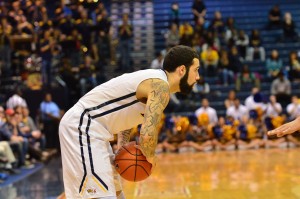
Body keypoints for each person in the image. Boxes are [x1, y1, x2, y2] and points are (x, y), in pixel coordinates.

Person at [59, 45, 200, 199]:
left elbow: (126, 115)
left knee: (115, 194)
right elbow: (147, 135)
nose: (198, 77)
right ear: (182, 70)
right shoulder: (160, 87)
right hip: (83, 127)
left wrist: (122, 145)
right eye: (196, 70)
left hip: (93, 130)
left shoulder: (155, 81)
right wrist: (151, 157)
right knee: (100, 195)